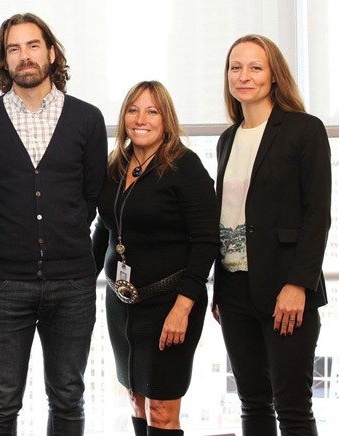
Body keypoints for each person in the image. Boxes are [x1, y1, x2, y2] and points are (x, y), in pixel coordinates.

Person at [0, 13, 108, 435]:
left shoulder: (87, 119)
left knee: (68, 395)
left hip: (73, 285)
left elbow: (92, 195)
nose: (24, 56)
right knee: (2, 398)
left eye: (32, 45)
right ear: (3, 60)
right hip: (4, 285)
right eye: (13, 48)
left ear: (51, 52)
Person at [213, 34, 331, 436]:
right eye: (235, 67)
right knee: (251, 403)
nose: (244, 76)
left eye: (255, 67)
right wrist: (218, 293)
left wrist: (298, 284)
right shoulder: (228, 139)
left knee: (293, 406)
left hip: (286, 287)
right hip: (233, 291)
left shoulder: (303, 129)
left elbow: (318, 215)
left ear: (274, 74)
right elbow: (226, 214)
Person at [91, 81, 220, 436]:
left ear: (166, 119)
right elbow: (105, 227)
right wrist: (81, 280)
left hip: (170, 304)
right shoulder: (115, 166)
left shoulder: (185, 167)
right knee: (135, 397)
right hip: (122, 303)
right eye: (133, 110)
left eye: (152, 111)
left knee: (162, 408)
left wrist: (182, 308)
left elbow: (206, 241)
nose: (141, 118)